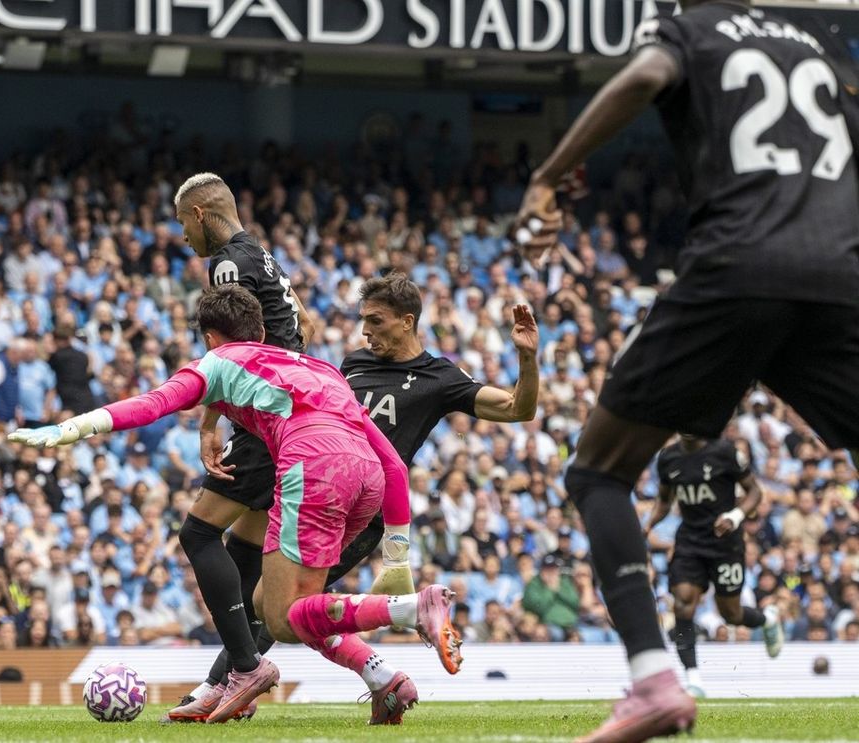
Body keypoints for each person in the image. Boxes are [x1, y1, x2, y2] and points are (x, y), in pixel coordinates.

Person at [514, 2, 859, 740]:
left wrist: (549, 175)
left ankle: (653, 680)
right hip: (837, 272)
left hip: (735, 266)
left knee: (599, 470)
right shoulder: (816, 44)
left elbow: (644, 76)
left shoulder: (690, 29)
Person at [11, 285, 460, 725]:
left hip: (312, 468)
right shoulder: (321, 368)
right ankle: (383, 678)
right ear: (261, 334)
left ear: (209, 339)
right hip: (367, 478)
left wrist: (75, 426)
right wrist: (397, 553)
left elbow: (153, 404)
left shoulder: (216, 362)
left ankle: (409, 609)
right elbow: (396, 470)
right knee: (276, 604)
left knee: (284, 619)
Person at [184, 272, 541, 718]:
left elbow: (517, 409)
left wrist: (527, 360)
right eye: (363, 321)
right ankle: (384, 678)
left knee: (280, 608)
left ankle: (218, 688)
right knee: (276, 604)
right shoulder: (352, 364)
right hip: (307, 493)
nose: (365, 332)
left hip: (362, 511)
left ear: (407, 322)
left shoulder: (439, 378)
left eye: (376, 321)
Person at [163, 173, 315, 723]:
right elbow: (306, 328)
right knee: (244, 552)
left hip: (264, 423)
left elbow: (234, 351)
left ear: (201, 214)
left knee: (198, 532)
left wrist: (211, 422)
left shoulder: (227, 263)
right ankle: (224, 683)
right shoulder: (266, 258)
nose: (183, 236)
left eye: (182, 222)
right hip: (291, 418)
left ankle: (246, 667)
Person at [645, 434, 784, 697]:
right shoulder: (668, 458)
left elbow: (754, 491)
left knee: (730, 614)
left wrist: (735, 514)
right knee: (684, 601)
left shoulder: (725, 452)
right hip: (689, 542)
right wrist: (648, 525)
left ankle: (767, 619)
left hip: (725, 543)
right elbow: (664, 500)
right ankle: (693, 679)